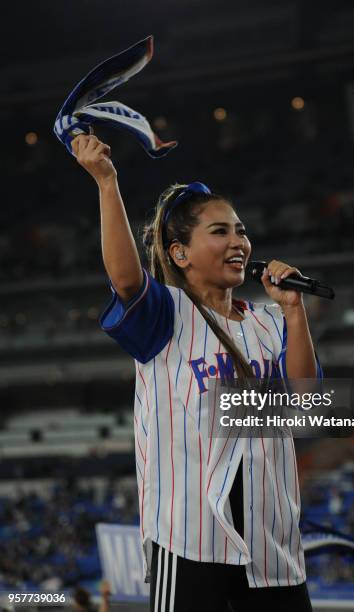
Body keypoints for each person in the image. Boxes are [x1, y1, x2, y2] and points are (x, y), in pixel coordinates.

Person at [71, 134, 321, 612]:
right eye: (220, 231)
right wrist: (107, 181)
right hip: (189, 538)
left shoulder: (269, 320)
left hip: (272, 543)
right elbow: (125, 279)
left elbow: (307, 402)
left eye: (241, 230)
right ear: (180, 253)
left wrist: (293, 310)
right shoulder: (165, 313)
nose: (239, 242)